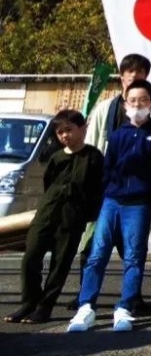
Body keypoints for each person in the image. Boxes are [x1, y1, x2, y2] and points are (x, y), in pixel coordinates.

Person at [68, 80, 151, 334]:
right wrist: (105, 194)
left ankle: (125, 308)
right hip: (112, 201)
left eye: (143, 100)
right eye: (132, 101)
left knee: (134, 257)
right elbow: (108, 168)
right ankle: (86, 307)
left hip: (138, 204)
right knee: (97, 255)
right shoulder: (117, 135)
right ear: (126, 104)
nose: (137, 105)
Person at [5, 110, 103, 325]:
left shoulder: (94, 157)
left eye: (69, 130)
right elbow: (48, 184)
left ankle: (45, 307)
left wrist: (84, 214)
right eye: (60, 132)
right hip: (47, 213)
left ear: (82, 128)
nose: (65, 135)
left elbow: (96, 190)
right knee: (30, 257)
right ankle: (29, 301)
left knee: (59, 265)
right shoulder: (55, 157)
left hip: (72, 217)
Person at [84, 53, 151, 153]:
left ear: (146, 76)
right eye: (130, 71)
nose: (134, 75)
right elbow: (91, 141)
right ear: (122, 76)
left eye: (139, 71)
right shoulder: (104, 108)